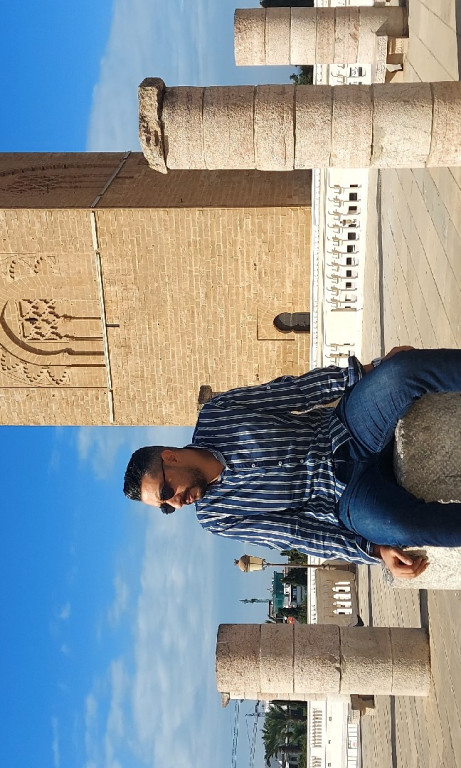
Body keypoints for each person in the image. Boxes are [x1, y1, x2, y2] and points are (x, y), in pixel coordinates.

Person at [123, 347, 461, 579]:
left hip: (344, 429)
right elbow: (295, 534)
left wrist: (371, 370)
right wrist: (373, 550)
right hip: (346, 498)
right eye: (166, 507)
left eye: (166, 492)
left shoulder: (217, 414)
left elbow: (295, 392)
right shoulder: (216, 518)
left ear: (170, 457)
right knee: (400, 526)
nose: (176, 504)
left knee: (401, 372)